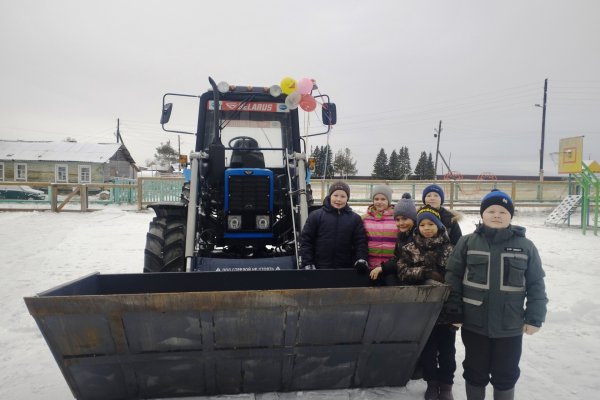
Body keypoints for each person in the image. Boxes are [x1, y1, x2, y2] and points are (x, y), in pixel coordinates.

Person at [444, 190, 548, 400]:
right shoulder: (467, 242)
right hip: (475, 323)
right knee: (475, 370)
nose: (497, 215)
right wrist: (454, 310)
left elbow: (536, 283)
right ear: (482, 214)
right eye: (491, 210)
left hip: (510, 326)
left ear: (511, 216)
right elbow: (453, 277)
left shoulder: (526, 246)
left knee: (506, 373)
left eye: (503, 211)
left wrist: (535, 317)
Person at [394, 205, 456, 400]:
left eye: (431, 224)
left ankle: (446, 385)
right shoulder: (410, 248)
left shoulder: (449, 249)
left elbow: (457, 275)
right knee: (428, 350)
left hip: (445, 310)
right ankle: (432, 383)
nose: (427, 228)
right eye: (423, 224)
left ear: (438, 225)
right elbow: (402, 271)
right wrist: (425, 273)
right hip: (423, 310)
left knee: (447, 351)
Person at [300, 181, 368, 271]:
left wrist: (361, 259)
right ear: (330, 196)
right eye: (335, 195)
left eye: (343, 196)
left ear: (347, 198)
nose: (338, 199)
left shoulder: (355, 219)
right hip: (319, 267)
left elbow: (360, 242)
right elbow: (306, 241)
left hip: (346, 269)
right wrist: (308, 262)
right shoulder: (316, 216)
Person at [369, 192, 417, 285]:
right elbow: (397, 257)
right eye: (397, 220)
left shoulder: (416, 236)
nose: (401, 223)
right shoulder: (402, 235)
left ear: (413, 218)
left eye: (405, 219)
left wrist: (383, 268)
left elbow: (405, 260)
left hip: (415, 277)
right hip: (405, 273)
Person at [362, 185, 397, 271]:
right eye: (376, 199)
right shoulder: (365, 218)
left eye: (383, 199)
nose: (379, 202)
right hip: (371, 264)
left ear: (388, 201)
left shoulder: (396, 218)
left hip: (390, 265)